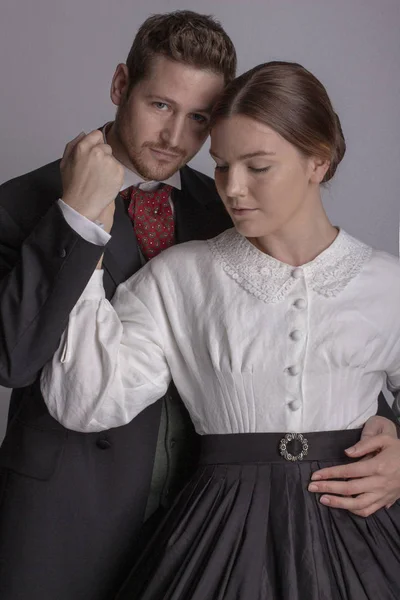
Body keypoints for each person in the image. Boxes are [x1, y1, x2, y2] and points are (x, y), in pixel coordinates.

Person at [42, 61, 400, 599]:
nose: (231, 188)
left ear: (317, 163)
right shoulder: (182, 275)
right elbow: (85, 401)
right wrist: (88, 239)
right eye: (222, 165)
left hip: (362, 531)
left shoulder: (386, 282)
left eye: (257, 167)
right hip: (220, 531)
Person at [0, 11, 236, 600]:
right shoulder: (24, 202)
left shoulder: (225, 211)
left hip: (192, 517)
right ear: (119, 84)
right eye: (160, 104)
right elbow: (12, 359)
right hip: (62, 516)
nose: (176, 138)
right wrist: (75, 218)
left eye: (199, 118)